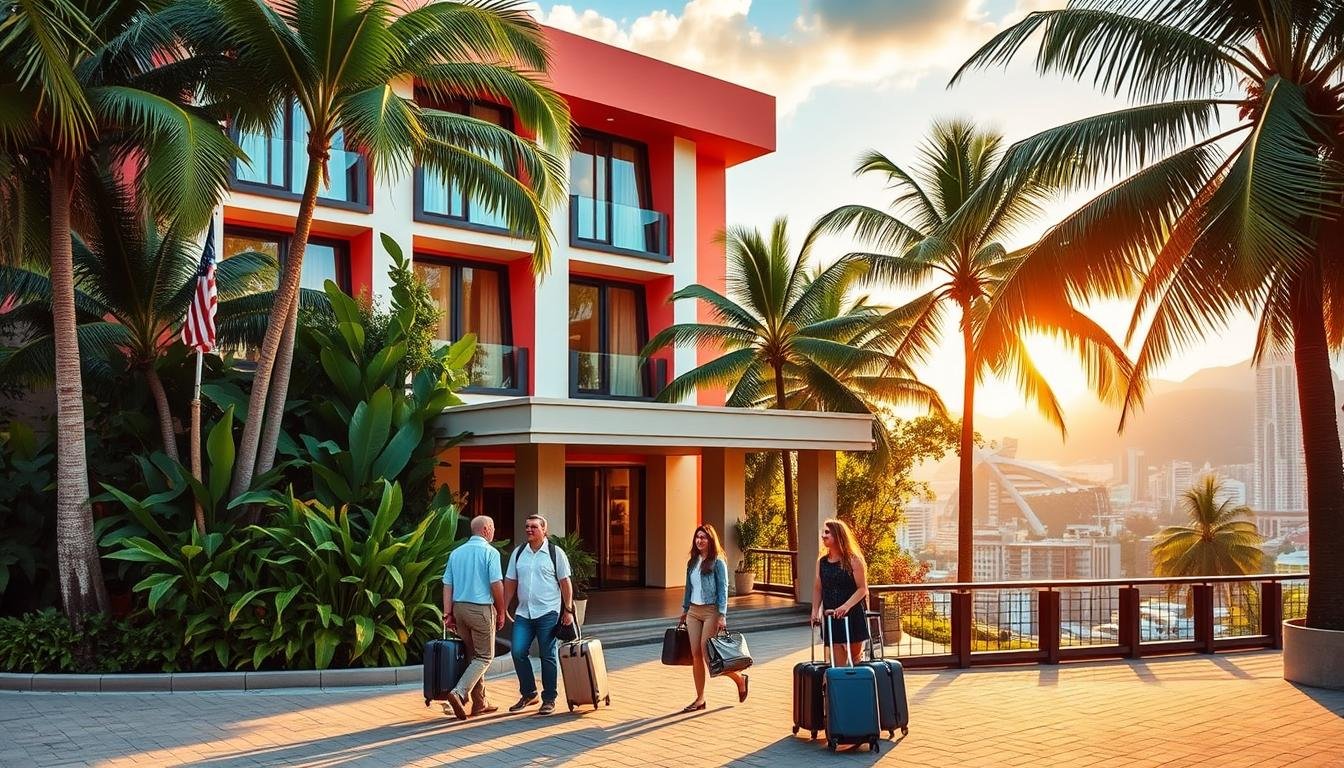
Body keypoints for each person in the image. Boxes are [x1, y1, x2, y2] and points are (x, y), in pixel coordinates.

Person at [502, 514, 574, 716]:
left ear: (544, 530)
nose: (529, 530)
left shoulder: (555, 553)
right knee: (517, 652)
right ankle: (529, 693)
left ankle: (549, 698)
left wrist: (567, 609)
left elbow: (565, 583)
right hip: (524, 612)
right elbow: (510, 581)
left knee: (547, 654)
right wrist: (505, 607)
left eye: (533, 526)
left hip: (548, 612)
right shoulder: (518, 553)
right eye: (526, 526)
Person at [677, 523, 748, 712]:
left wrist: (722, 615)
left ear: (710, 540)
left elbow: (723, 589)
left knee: (710, 656)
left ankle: (739, 679)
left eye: (703, 537)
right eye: (697, 537)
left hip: (711, 612)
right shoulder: (692, 562)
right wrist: (684, 610)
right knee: (695, 655)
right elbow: (688, 588)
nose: (699, 540)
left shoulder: (718, 562)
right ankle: (700, 699)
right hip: (693, 611)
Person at [442, 515, 506, 721]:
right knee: (485, 657)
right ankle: (459, 693)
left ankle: (480, 703)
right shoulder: (490, 552)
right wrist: (502, 610)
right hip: (480, 609)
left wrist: (447, 613)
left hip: (459, 609)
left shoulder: (456, 553)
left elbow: (447, 585)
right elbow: (497, 584)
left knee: (474, 656)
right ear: (487, 529)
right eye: (493, 527)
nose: (494, 531)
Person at [811, 518, 870, 666]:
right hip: (832, 617)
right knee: (837, 666)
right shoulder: (822, 562)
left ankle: (857, 688)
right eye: (823, 532)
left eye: (827, 532)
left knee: (854, 663)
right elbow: (818, 588)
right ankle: (834, 688)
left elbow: (862, 589)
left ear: (838, 535)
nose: (823, 536)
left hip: (852, 616)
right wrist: (814, 611)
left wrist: (846, 606)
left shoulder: (853, 560)